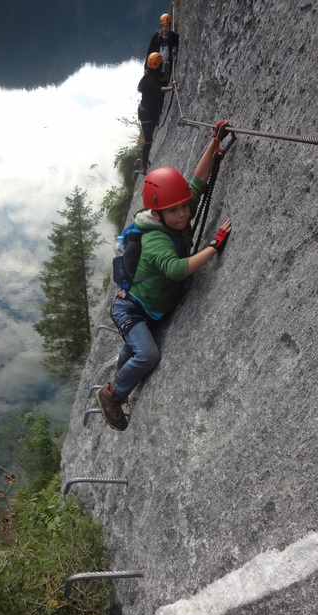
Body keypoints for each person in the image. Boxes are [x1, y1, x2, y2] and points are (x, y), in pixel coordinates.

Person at [96, 139, 233, 431]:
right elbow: (174, 270)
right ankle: (112, 396)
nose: (183, 214)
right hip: (130, 309)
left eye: (184, 207)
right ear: (157, 213)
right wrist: (212, 248)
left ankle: (120, 382)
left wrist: (213, 144)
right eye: (175, 210)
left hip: (146, 310)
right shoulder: (156, 238)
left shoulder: (174, 214)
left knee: (132, 352)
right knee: (147, 354)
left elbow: (196, 183)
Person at [137, 52, 177, 175]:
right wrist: (172, 88)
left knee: (149, 137)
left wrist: (167, 71)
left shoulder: (152, 75)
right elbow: (161, 89)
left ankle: (143, 153)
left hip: (148, 113)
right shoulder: (149, 80)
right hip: (147, 114)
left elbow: (163, 82)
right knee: (149, 140)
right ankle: (144, 165)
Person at [145, 13, 179, 85]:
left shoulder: (174, 37)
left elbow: (176, 45)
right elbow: (150, 50)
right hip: (155, 66)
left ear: (170, 26)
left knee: (163, 85)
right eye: (163, 26)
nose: (164, 29)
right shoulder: (157, 35)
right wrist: (146, 67)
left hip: (165, 67)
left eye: (166, 26)